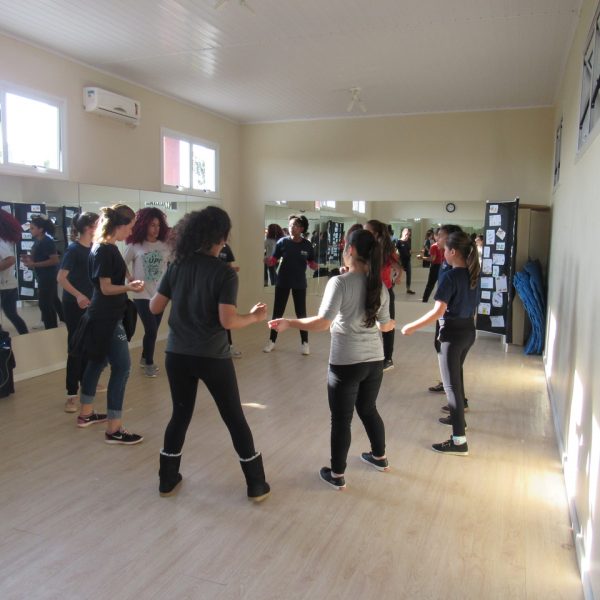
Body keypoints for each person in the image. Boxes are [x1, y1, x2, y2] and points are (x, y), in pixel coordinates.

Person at [149, 206, 270, 501]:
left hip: (177, 355)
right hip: (213, 357)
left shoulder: (177, 265)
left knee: (180, 415)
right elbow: (228, 321)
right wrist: (254, 317)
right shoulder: (224, 273)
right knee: (234, 417)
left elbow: (154, 307)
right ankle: (256, 485)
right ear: (222, 237)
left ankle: (167, 480)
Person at [269, 229, 394, 490]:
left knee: (341, 419)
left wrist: (289, 322)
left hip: (346, 361)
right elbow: (385, 327)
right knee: (368, 409)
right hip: (374, 360)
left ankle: (337, 475)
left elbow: (322, 323)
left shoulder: (339, 282)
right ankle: (379, 457)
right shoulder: (379, 286)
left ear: (351, 250)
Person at [401, 231, 480, 456]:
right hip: (468, 331)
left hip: (453, 336)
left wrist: (411, 326)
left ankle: (459, 441)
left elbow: (438, 312)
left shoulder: (451, 277)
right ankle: (458, 421)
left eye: (445, 249)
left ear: (453, 252)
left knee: (451, 387)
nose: (443, 253)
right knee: (456, 378)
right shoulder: (474, 273)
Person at [74, 204, 144, 445]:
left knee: (97, 362)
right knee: (122, 368)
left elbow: (114, 274)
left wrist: (129, 280)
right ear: (119, 225)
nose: (131, 232)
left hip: (103, 314)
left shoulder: (104, 246)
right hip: (107, 317)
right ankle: (114, 429)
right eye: (130, 227)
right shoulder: (105, 250)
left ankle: (86, 414)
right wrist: (129, 287)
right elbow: (105, 288)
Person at [57, 212, 99, 413]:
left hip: (91, 303)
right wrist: (78, 295)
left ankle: (85, 382)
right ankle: (71, 394)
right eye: (97, 225)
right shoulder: (73, 250)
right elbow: (61, 278)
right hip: (74, 304)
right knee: (75, 346)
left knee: (89, 345)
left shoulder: (95, 248)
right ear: (87, 228)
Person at [124, 207, 170, 378]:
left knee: (153, 330)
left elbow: (175, 264)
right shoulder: (135, 245)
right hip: (141, 294)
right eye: (152, 225)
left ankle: (144, 358)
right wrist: (129, 278)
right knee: (151, 329)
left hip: (160, 294)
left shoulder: (165, 246)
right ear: (144, 225)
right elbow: (121, 264)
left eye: (158, 225)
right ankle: (149, 362)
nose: (156, 229)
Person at [263, 215, 317, 355]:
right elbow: (274, 259)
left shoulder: (307, 245)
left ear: (302, 228)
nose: (292, 228)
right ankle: (272, 341)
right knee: (277, 313)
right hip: (283, 282)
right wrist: (269, 261)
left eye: (295, 225)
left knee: (301, 314)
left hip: (299, 283)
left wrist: (314, 266)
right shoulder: (282, 242)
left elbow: (311, 262)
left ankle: (305, 343)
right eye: (291, 225)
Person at [365, 220, 401, 372]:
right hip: (370, 289)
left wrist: (397, 276)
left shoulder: (386, 249)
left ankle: (388, 359)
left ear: (376, 233)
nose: (365, 233)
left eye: (367, 230)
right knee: (367, 323)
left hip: (385, 291)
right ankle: (371, 356)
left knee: (387, 325)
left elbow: (398, 268)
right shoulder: (367, 248)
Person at [22, 214, 64, 329]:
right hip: (42, 276)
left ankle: (51, 328)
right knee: (51, 301)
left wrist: (34, 264)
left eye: (32, 228)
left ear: (40, 229)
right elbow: (40, 257)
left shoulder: (47, 241)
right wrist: (29, 258)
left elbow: (54, 260)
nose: (30, 230)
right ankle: (57, 324)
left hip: (48, 276)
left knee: (45, 304)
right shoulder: (38, 241)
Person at [0, 210, 28, 335]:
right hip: (7, 285)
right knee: (11, 314)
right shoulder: (4, 240)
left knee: (11, 314)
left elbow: (10, 260)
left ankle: (24, 335)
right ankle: (24, 335)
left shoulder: (1, 241)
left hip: (5, 286)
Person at [218, 242, 242, 357]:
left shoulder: (226, 247)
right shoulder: (204, 247)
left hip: (223, 289)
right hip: (210, 289)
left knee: (225, 319)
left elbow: (228, 266)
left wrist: (232, 269)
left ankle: (229, 347)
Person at [421, 228, 444, 302]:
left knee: (430, 284)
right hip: (444, 266)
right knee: (441, 285)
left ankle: (424, 300)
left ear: (435, 235)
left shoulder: (434, 246)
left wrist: (422, 258)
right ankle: (440, 301)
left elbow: (432, 259)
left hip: (436, 267)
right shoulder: (445, 245)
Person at [396, 228, 415, 294]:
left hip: (407, 261)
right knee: (397, 274)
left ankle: (408, 289)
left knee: (409, 275)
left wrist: (413, 252)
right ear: (403, 233)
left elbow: (409, 251)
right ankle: (391, 286)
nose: (407, 236)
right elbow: (396, 252)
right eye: (406, 234)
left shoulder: (408, 242)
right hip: (401, 261)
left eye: (408, 235)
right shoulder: (398, 242)